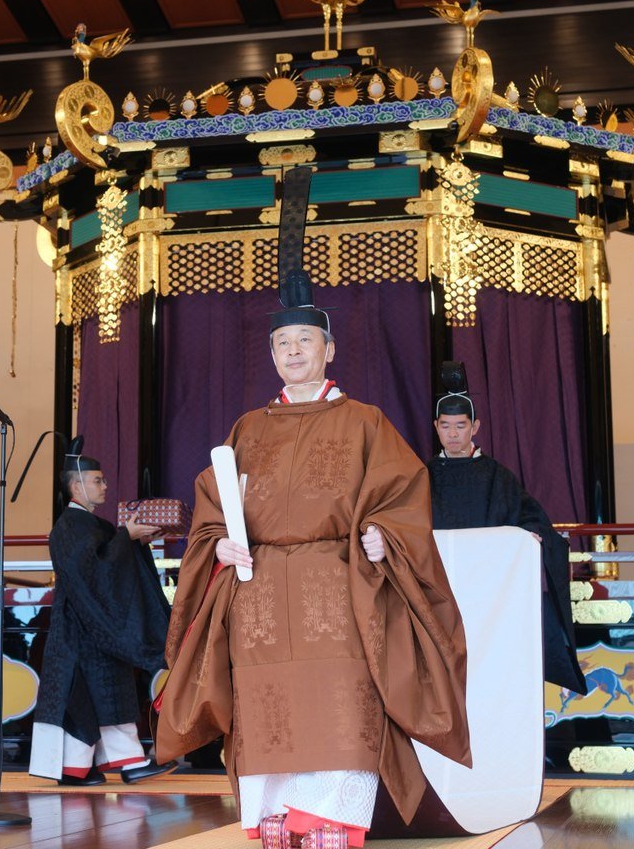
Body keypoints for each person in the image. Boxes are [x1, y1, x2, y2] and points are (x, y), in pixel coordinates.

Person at [156, 169, 471, 849]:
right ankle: (274, 819)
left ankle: (332, 818)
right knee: (266, 708)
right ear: (271, 355)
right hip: (260, 590)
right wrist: (219, 544)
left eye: (304, 342)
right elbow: (213, 508)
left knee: (340, 701)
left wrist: (384, 533)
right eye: (282, 344)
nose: (293, 352)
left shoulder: (363, 420)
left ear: (329, 350)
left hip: (335, 582)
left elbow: (400, 493)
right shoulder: (249, 427)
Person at [427, 362, 586, 696]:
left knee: (490, 679)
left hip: (491, 596)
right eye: (446, 426)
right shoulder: (422, 476)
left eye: (460, 425)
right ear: (436, 427)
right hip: (439, 595)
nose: (453, 434)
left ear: (475, 427)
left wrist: (528, 538)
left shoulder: (497, 477)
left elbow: (532, 521)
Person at [28, 437, 177, 786]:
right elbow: (91, 571)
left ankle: (85, 768)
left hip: (96, 628)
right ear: (76, 486)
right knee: (88, 697)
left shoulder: (94, 524)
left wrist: (134, 541)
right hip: (79, 630)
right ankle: (114, 764)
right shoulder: (68, 526)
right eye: (98, 480)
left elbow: (111, 558)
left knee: (103, 695)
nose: (105, 485)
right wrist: (126, 538)